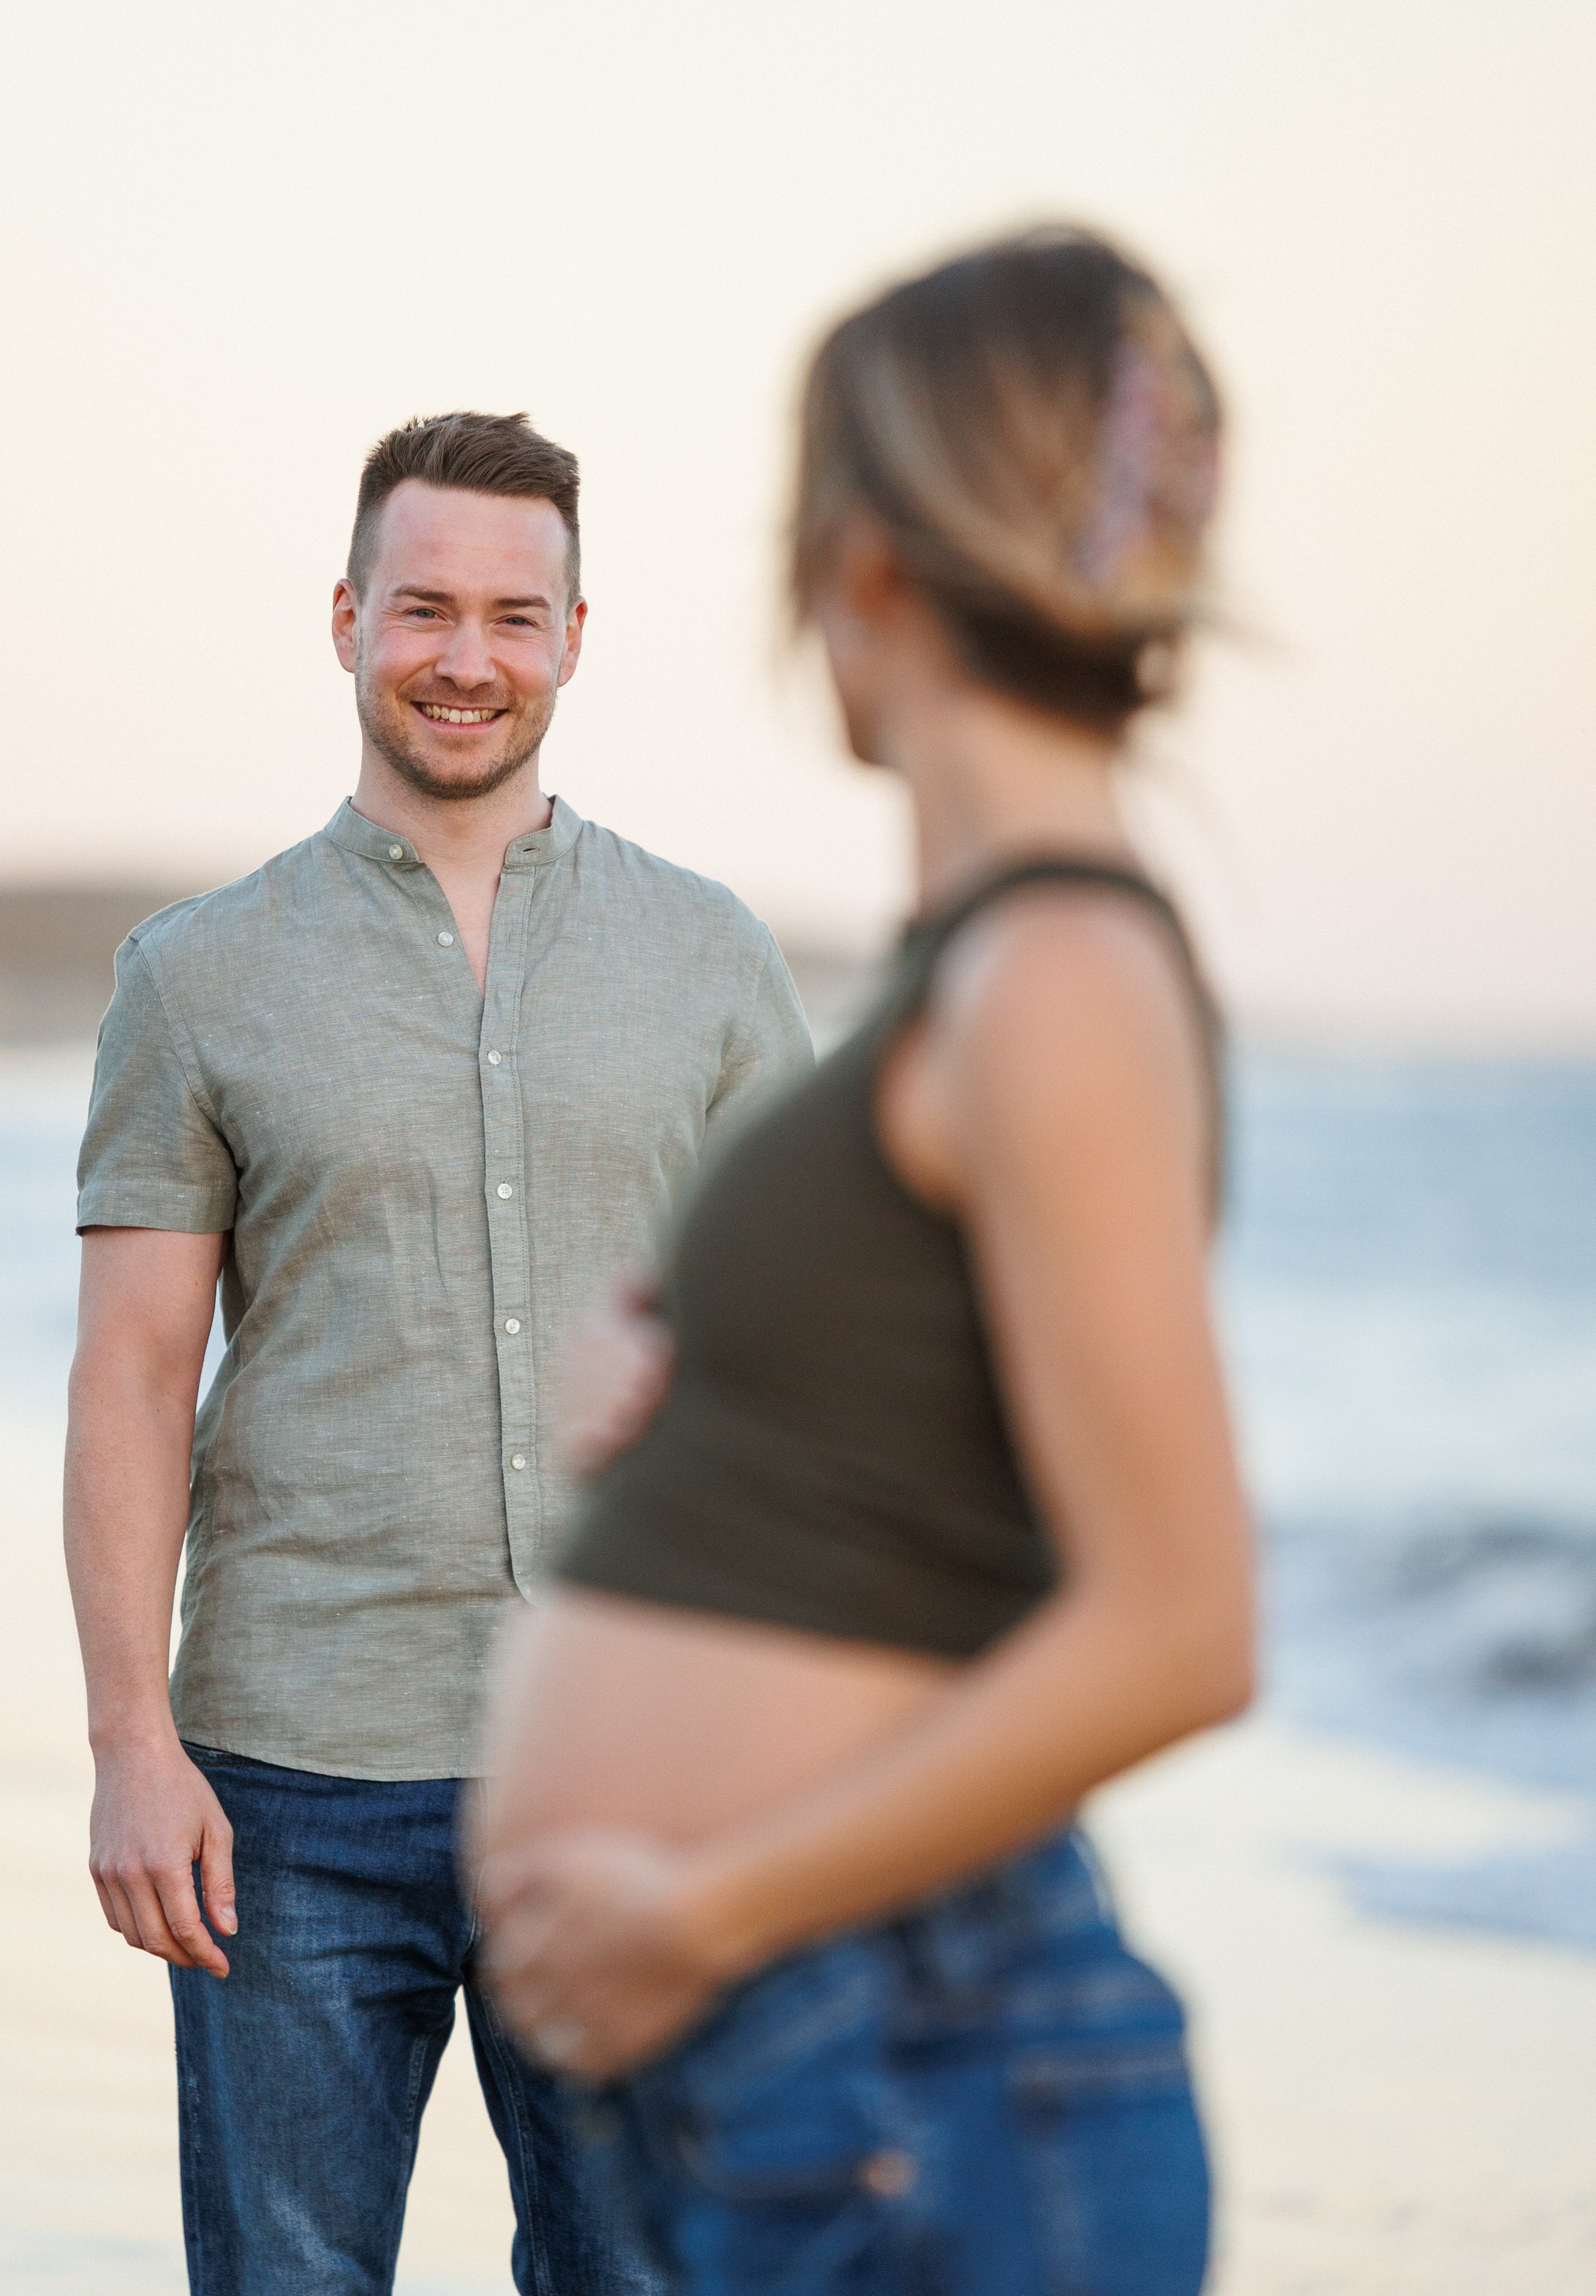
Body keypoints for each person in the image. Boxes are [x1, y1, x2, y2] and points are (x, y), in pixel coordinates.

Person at [473, 229, 1254, 2296]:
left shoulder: (1059, 970)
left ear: (872, 566)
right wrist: (686, 1380)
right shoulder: (986, 969)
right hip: (825, 2070)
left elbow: (1185, 1626)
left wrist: (704, 1910)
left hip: (913, 2063)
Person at [64, 409, 810, 2296]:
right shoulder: (198, 974)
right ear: (345, 621)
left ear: (575, 635)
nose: (464, 657)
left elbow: (795, 1370)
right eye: (423, 609)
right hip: (288, 1790)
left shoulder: (711, 958)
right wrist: (128, 1741)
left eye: (510, 613)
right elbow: (137, 1377)